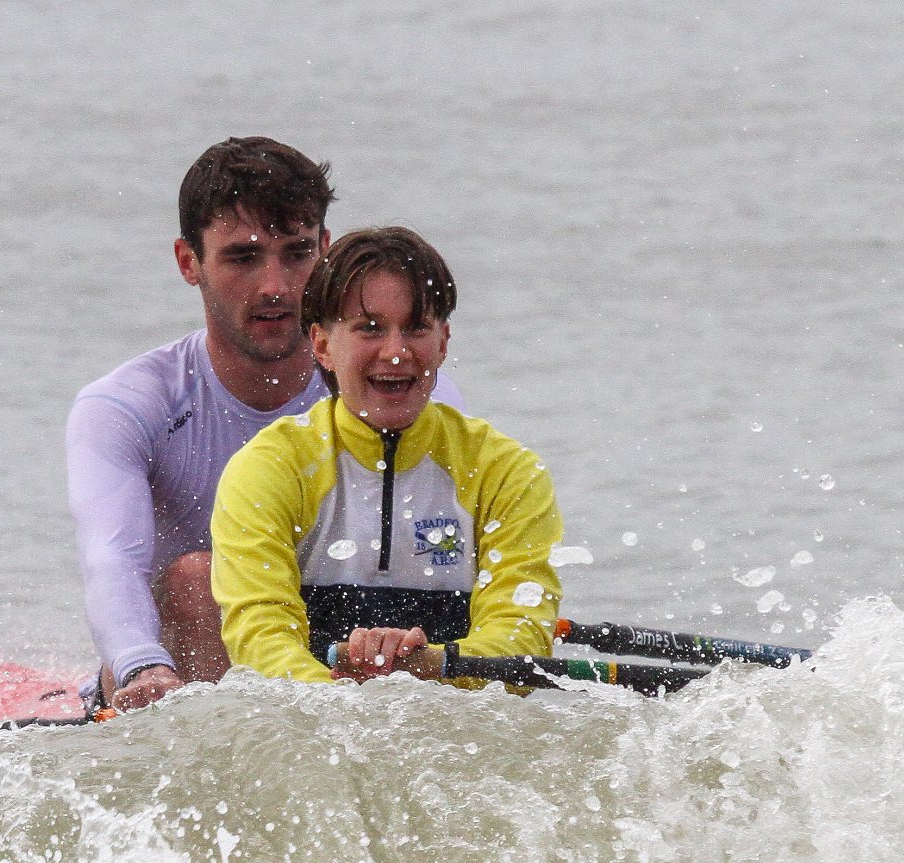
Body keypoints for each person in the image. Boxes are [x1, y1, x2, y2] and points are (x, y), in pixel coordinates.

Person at [65, 137, 461, 713]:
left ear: (325, 252)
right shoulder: (129, 406)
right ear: (188, 261)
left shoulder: (409, 390)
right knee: (199, 580)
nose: (275, 286)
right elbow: (111, 560)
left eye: (297, 253)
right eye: (244, 258)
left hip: (332, 646)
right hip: (178, 671)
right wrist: (142, 666)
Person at [210, 226, 562, 685]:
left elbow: (521, 634)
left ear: (443, 342)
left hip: (456, 715)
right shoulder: (269, 468)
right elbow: (260, 637)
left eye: (416, 328)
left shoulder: (506, 472)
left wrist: (430, 668)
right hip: (317, 714)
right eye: (370, 329)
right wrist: (336, 700)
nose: (396, 353)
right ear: (321, 345)